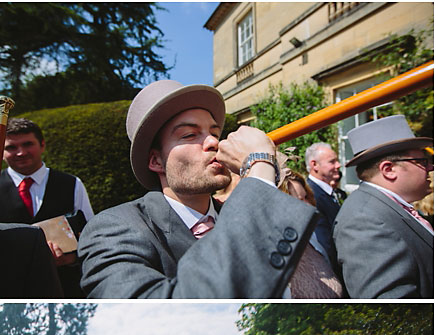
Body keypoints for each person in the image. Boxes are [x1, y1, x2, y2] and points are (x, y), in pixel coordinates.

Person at [79, 79, 316, 299]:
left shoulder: (241, 216)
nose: (214, 142)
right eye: (190, 134)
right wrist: (259, 166)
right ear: (156, 161)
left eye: (214, 133)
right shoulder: (113, 229)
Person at [334, 114, 433, 298]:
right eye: (422, 161)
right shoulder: (363, 220)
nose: (431, 168)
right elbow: (393, 302)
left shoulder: (385, 208)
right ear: (388, 170)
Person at [0, 117, 94, 299]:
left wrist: (72, 258)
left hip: (63, 286)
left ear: (42, 145)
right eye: (11, 147)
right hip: (8, 287)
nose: (20, 152)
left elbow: (91, 235)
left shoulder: (72, 184)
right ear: (0, 151)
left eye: (27, 144)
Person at [277, 167, 344, 298]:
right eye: (297, 200)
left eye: (306, 197)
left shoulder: (312, 239)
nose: (307, 205)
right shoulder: (276, 258)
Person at [304, 142, 345, 270]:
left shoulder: (332, 192)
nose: (338, 165)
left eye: (337, 161)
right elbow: (325, 245)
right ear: (314, 165)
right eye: (332, 162)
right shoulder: (311, 196)